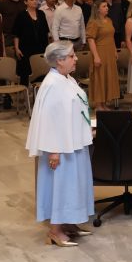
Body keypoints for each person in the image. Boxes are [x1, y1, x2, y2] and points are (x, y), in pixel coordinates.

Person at [25, 41, 94, 246]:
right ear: (59, 60)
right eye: (72, 56)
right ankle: (55, 231)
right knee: (61, 186)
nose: (76, 58)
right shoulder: (52, 84)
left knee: (73, 185)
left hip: (73, 143)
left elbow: (74, 108)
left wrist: (86, 127)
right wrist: (53, 151)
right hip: (60, 148)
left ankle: (69, 223)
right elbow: (49, 120)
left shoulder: (66, 78)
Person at [85, 0, 120, 112]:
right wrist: (96, 56)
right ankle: (98, 105)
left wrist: (114, 51)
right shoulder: (94, 22)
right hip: (100, 51)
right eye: (104, 6)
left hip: (109, 52)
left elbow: (112, 37)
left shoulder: (109, 20)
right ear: (98, 9)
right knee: (99, 77)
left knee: (107, 77)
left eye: (107, 6)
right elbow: (90, 40)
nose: (107, 8)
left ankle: (104, 103)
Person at [12, 0, 50, 86]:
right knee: (25, 74)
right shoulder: (21, 15)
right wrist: (17, 48)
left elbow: (46, 32)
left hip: (41, 47)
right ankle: (24, 93)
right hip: (25, 48)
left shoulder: (41, 13)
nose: (35, 1)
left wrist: (48, 47)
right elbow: (16, 34)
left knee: (40, 72)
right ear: (26, 2)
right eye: (32, 0)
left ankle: (39, 92)